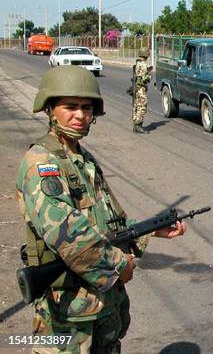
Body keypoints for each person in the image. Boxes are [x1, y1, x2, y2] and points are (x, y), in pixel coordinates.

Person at [16, 66, 186, 353]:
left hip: (101, 305)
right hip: (67, 313)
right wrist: (119, 267)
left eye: (87, 108)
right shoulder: (42, 163)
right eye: (70, 107)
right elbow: (69, 234)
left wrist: (151, 230)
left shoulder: (83, 160)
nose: (80, 115)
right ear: (49, 109)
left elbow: (107, 225)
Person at [132, 47, 152, 134]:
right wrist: (149, 75)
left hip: (137, 87)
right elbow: (145, 78)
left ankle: (135, 125)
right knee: (142, 106)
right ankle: (138, 125)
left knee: (136, 106)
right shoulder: (143, 64)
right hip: (141, 88)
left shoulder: (138, 63)